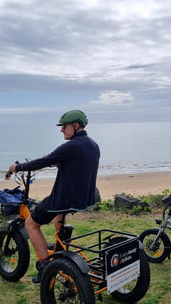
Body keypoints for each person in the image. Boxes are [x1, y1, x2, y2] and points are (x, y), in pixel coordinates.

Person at [6, 109, 100, 282]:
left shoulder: (71, 146)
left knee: (31, 223)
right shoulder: (92, 145)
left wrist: (16, 168)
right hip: (83, 198)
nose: (61, 130)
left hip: (64, 199)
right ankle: (61, 248)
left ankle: (45, 266)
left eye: (64, 126)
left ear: (76, 125)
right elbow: (78, 166)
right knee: (59, 214)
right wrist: (60, 163)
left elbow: (42, 161)